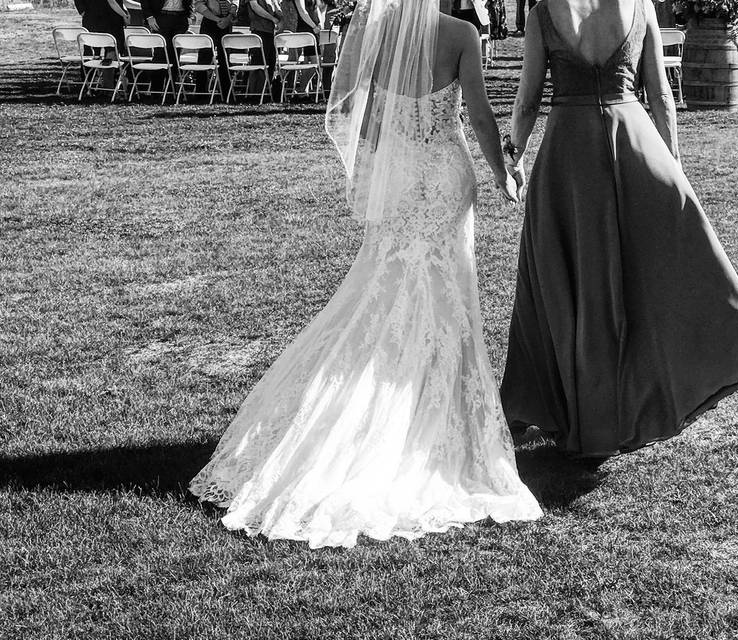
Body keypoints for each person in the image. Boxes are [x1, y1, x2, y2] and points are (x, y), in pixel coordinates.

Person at [189, 0, 541, 547]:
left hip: (398, 175)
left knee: (384, 288)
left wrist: (376, 168)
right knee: (445, 293)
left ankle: (383, 405)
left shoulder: (367, 31)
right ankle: (428, 407)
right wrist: (505, 172)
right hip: (445, 176)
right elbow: (477, 116)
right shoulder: (460, 33)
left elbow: (354, 108)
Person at [499, 0, 738, 457]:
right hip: (634, 142)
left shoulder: (542, 13)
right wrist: (673, 169)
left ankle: (575, 406)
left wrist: (514, 152)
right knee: (643, 276)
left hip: (568, 154)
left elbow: (528, 99)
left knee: (570, 279)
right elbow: (661, 97)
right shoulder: (640, 5)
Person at [74, 0, 129, 90]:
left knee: (90, 51)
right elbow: (112, 1)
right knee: (111, 51)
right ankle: (108, 86)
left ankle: (87, 84)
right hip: (109, 19)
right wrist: (124, 15)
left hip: (92, 19)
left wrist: (84, 12)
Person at [194, 0, 238, 100]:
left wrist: (228, 17)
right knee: (204, 57)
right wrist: (217, 19)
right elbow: (199, 5)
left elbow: (235, 3)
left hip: (226, 22)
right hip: (209, 21)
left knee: (225, 58)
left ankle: (226, 93)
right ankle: (200, 94)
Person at [247, 0, 282, 99]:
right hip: (259, 30)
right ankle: (255, 94)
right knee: (258, 64)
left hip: (270, 32)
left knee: (271, 63)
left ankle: (267, 92)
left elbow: (276, 8)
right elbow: (255, 7)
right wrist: (272, 19)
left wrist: (279, 14)